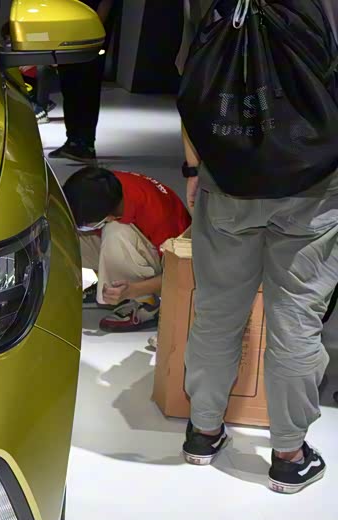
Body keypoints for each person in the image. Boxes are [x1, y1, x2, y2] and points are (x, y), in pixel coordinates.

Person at [178, 0, 338, 494]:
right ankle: (288, 454)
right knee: (296, 319)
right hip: (314, 184)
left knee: (217, 311)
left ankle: (204, 432)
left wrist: (193, 166)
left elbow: (193, 82)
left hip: (229, 178)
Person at [65, 167, 191, 332]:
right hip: (141, 241)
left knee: (116, 234)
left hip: (170, 262)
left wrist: (135, 290)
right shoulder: (103, 187)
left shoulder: (157, 215)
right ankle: (110, 284)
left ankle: (146, 303)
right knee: (65, 235)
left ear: (109, 216)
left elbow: (180, 273)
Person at [48, 0, 118, 164]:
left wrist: (94, 29)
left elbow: (106, 3)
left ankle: (86, 145)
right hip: (71, 33)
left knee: (87, 88)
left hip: (90, 37)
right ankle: (73, 141)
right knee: (69, 87)